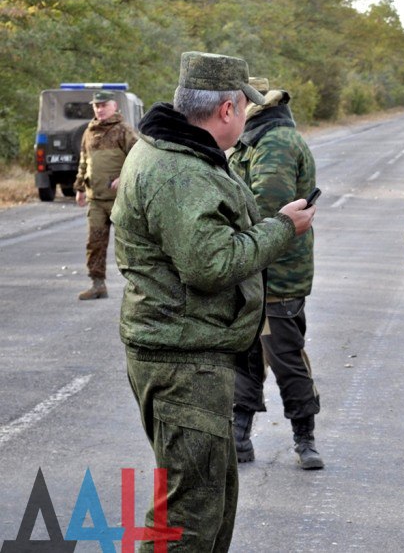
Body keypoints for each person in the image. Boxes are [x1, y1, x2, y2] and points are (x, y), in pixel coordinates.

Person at [112, 52, 316, 552]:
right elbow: (212, 265)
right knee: (185, 518)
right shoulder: (178, 171)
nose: (246, 116)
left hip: (189, 354)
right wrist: (282, 227)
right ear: (227, 110)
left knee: (209, 501)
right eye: (243, 108)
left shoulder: (174, 153)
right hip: (183, 361)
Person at [229, 77, 324, 470]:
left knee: (284, 355)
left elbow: (270, 206)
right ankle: (239, 436)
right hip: (254, 267)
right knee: (246, 354)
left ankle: (305, 436)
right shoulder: (257, 137)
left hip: (275, 271)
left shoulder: (274, 141)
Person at [73, 90, 138, 300]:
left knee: (129, 244)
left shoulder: (123, 130)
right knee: (95, 244)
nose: (99, 109)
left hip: (120, 201)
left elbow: (138, 158)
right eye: (96, 106)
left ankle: (139, 287)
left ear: (114, 106)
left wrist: (123, 177)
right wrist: (80, 188)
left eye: (103, 105)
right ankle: (97, 284)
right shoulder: (89, 131)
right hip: (96, 200)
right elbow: (84, 161)